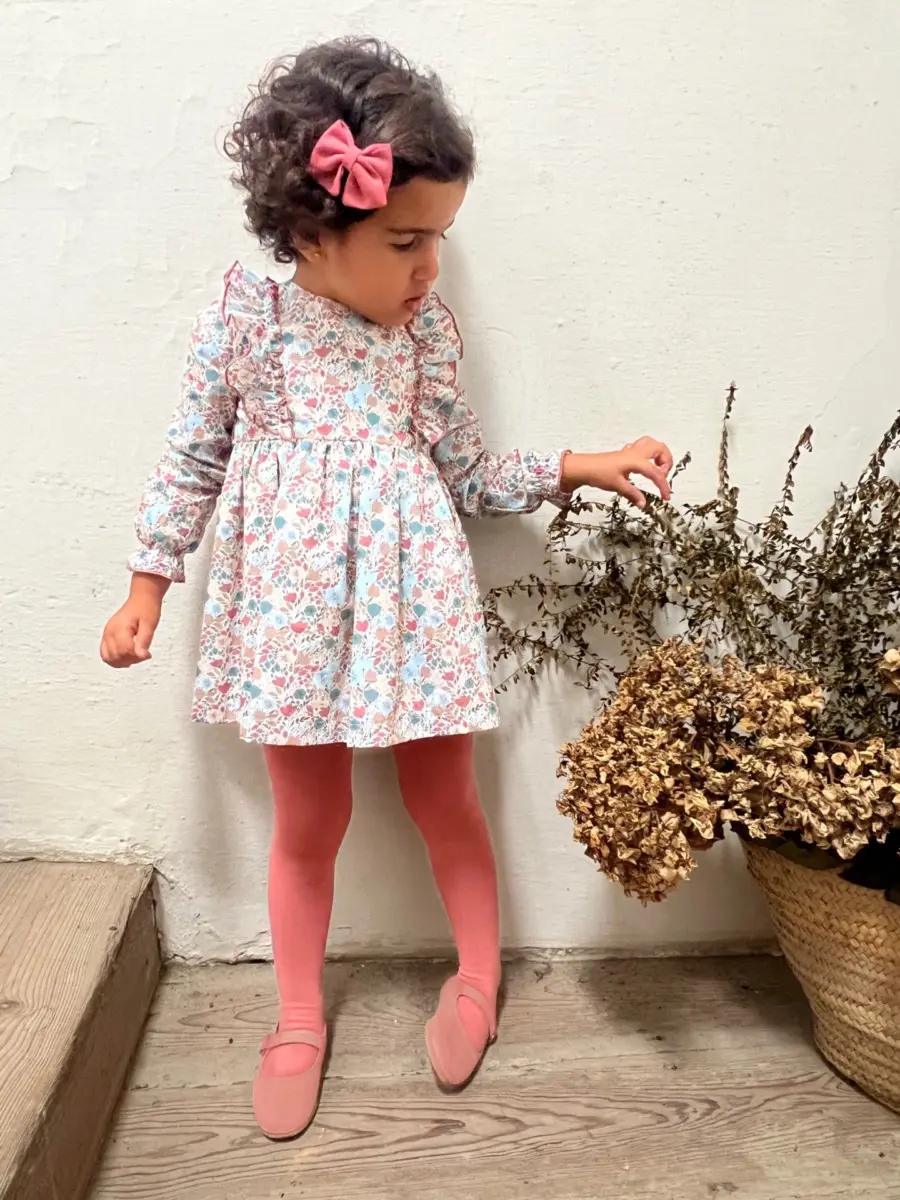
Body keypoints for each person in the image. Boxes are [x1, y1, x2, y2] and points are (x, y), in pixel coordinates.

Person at [100, 37, 673, 1141]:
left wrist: (578, 465)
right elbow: (192, 458)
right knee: (307, 822)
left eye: (441, 240)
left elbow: (467, 470)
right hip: (291, 616)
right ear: (311, 229)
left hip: (416, 608)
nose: (429, 269)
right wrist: (146, 582)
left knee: (444, 800)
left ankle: (476, 977)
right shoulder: (249, 325)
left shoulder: (425, 340)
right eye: (406, 241)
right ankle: (297, 1016)